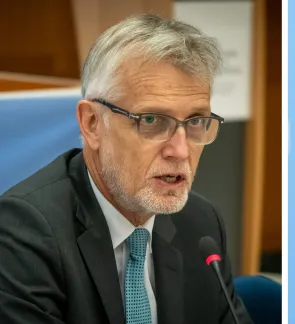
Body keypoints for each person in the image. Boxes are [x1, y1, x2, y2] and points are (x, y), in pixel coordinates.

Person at [0, 14, 253, 324]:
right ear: (92, 124)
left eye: (196, 122)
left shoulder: (200, 225)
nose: (181, 150)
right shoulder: (25, 230)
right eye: (152, 121)